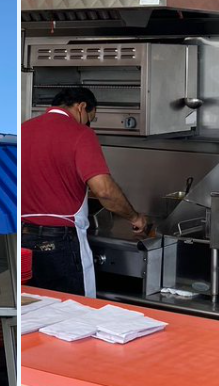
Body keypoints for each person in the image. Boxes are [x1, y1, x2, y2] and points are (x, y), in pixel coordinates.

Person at [21, 87, 148, 297]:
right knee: (72, 315)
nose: (89, 124)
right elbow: (104, 191)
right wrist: (135, 217)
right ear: (81, 107)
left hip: (23, 240)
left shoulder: (24, 130)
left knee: (37, 314)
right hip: (60, 243)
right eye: (91, 118)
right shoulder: (80, 134)